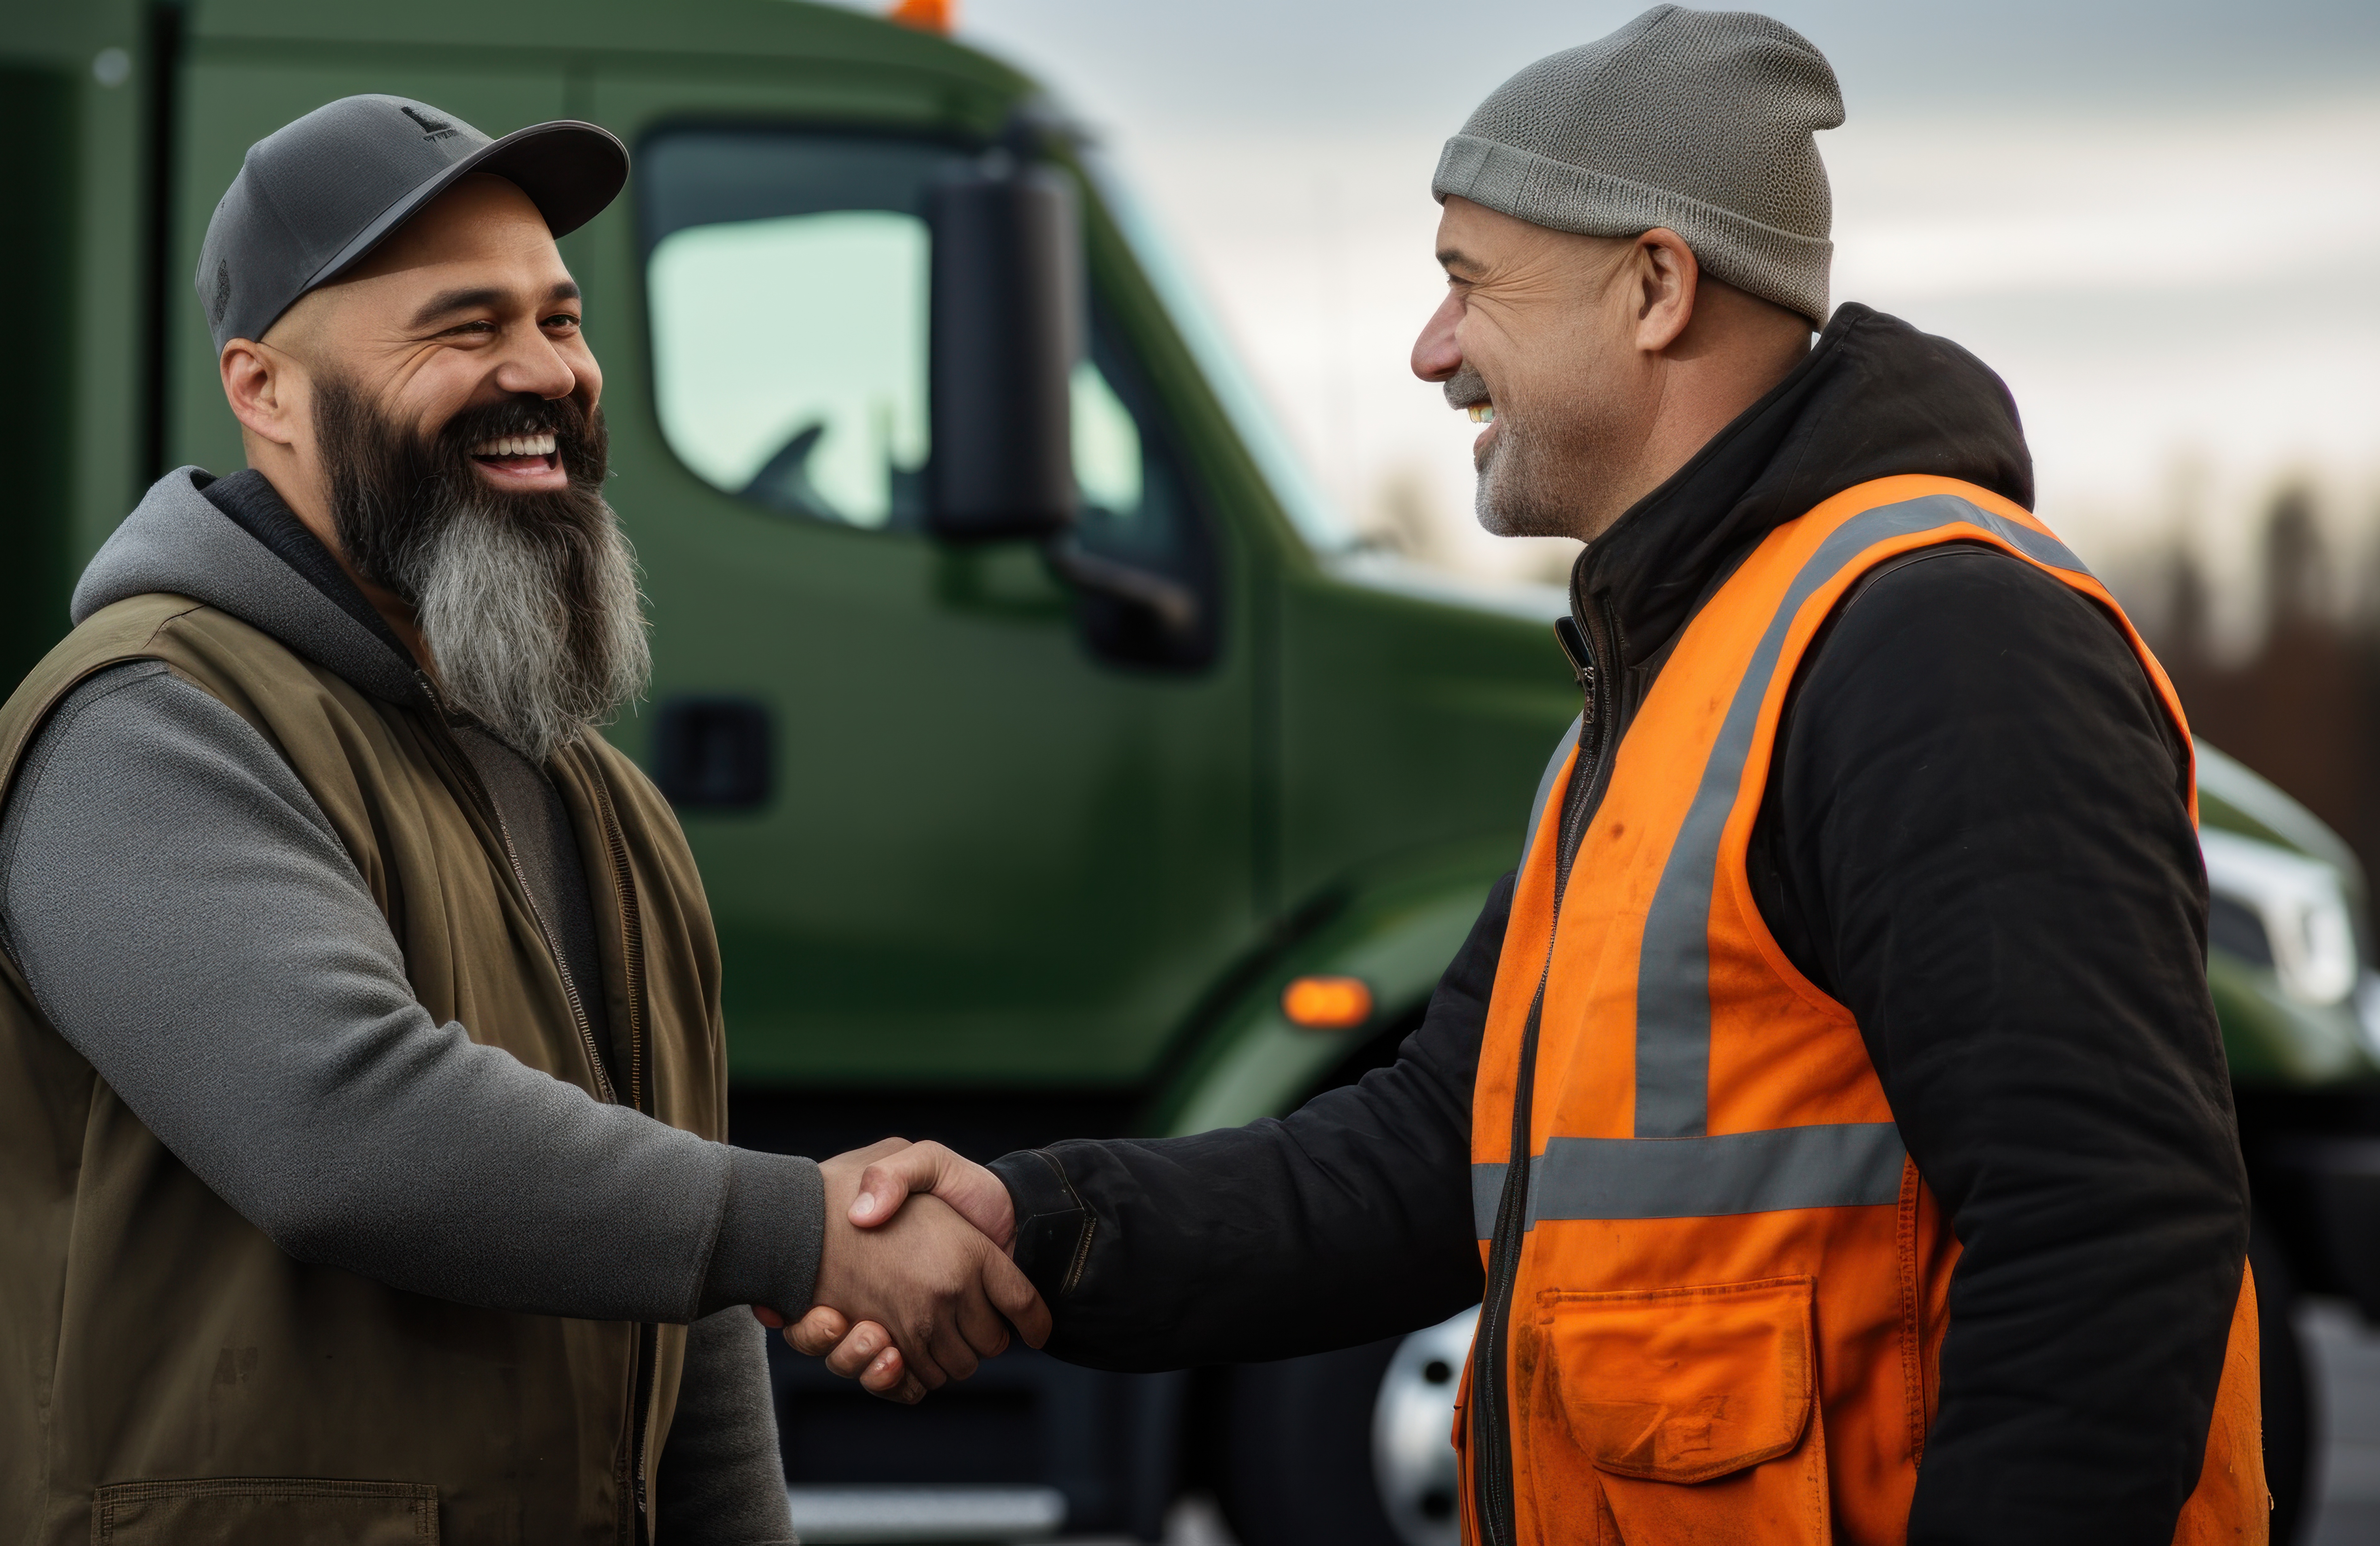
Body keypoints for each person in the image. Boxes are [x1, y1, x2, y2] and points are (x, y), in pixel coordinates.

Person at [798, 9, 2268, 1543]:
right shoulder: (1674, 687)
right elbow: (1437, 1152)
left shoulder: (1939, 649)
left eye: (1467, 283)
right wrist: (1039, 1228)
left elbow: (2105, 1235)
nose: (1431, 351)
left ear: (1655, 285)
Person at [0, 95, 1043, 1544]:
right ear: (266, 391)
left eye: (561, 320)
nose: (544, 374)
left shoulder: (603, 803)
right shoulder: (146, 724)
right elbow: (339, 1122)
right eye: (463, 328)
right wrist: (804, 1231)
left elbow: (685, 1305)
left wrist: (769, 1274)